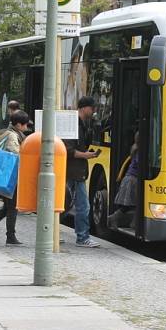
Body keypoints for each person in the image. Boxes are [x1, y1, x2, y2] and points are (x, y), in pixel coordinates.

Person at [0, 109, 30, 246]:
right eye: (26, 125)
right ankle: (4, 234)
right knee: (12, 206)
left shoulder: (5, 133)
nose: (27, 127)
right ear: (19, 125)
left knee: (9, 206)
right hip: (10, 177)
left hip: (6, 176)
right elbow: (15, 154)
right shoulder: (12, 136)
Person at [64, 96, 100, 248]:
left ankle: (53, 231)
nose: (93, 112)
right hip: (74, 171)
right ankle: (82, 237)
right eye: (92, 109)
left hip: (76, 171)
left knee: (65, 203)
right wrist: (86, 155)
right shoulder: (73, 124)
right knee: (83, 206)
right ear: (85, 107)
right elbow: (69, 150)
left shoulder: (83, 124)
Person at [108, 130, 140, 229]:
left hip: (131, 178)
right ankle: (116, 218)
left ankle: (131, 222)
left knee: (133, 204)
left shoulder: (135, 147)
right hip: (133, 180)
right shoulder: (140, 150)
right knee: (136, 203)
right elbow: (140, 164)